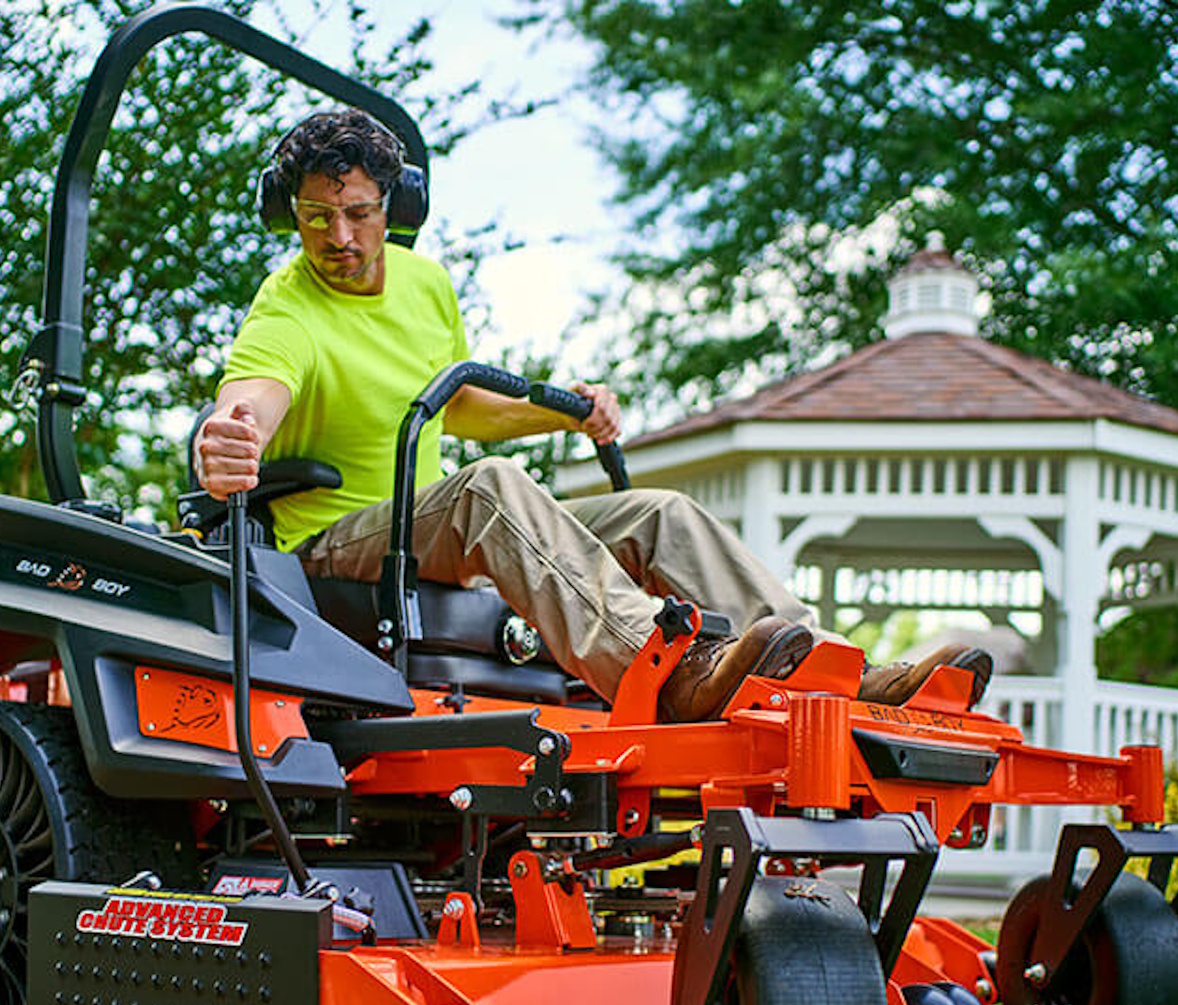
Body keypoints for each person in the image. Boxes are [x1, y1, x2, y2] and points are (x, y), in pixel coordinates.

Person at [195, 109, 990, 721]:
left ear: (394, 204)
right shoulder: (286, 306)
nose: (338, 237)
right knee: (487, 489)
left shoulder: (424, 284)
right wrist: (232, 437)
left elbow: (458, 404)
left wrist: (567, 417)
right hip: (330, 548)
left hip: (423, 527)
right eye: (316, 217)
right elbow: (253, 397)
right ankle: (661, 670)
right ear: (289, 215)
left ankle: (832, 672)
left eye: (359, 213)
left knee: (660, 514)